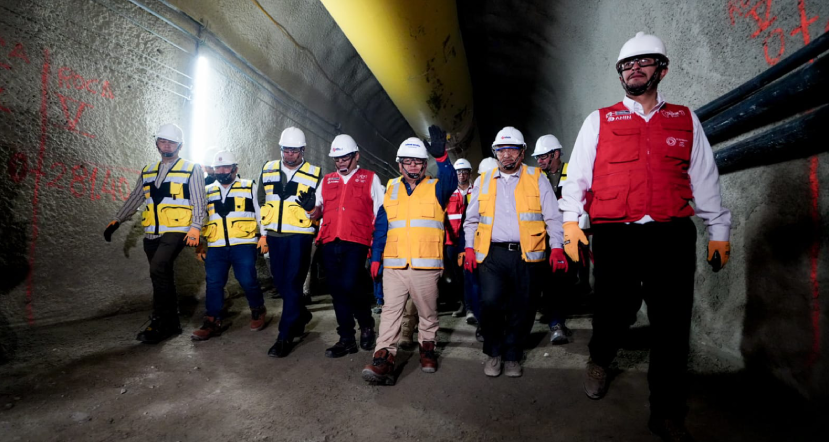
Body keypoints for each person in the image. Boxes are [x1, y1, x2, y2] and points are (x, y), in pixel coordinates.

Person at [559, 32, 732, 441]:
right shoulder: (598, 120)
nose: (634, 69)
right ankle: (600, 357)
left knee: (672, 326)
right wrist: (571, 223)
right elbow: (577, 177)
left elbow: (704, 179)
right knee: (614, 311)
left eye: (644, 62)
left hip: (671, 235)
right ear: (621, 74)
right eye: (626, 65)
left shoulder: (685, 120)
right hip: (616, 234)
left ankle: (667, 411)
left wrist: (718, 230)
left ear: (662, 69)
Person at [463, 126, 566, 378]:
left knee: (524, 306)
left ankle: (512, 355)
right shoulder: (483, 180)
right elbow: (471, 219)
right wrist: (468, 246)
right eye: (501, 150)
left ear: (522, 153)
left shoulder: (536, 177)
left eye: (512, 149)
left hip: (528, 254)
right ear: (495, 153)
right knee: (491, 303)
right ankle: (494, 352)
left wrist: (557, 248)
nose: (506, 155)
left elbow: (553, 217)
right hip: (492, 254)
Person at [361, 126, 457, 385]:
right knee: (390, 312)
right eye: (408, 162)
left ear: (424, 165)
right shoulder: (391, 188)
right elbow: (382, 226)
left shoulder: (437, 188)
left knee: (427, 312)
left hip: (425, 266)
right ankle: (383, 357)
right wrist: (377, 257)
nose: (413, 166)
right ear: (399, 164)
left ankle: (427, 349)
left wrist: (442, 159)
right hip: (394, 264)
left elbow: (452, 181)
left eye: (418, 162)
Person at [103, 123, 205, 343]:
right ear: (156, 142)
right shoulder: (148, 169)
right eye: (162, 141)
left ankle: (161, 321)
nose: (166, 145)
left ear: (180, 145)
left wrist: (196, 227)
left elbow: (199, 201)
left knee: (158, 268)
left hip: (178, 229)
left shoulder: (191, 168)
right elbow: (136, 196)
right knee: (161, 274)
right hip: (152, 231)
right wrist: (118, 219)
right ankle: (171, 322)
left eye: (171, 142)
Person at [306, 134, 384, 358]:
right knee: (337, 290)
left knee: (350, 285)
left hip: (357, 241)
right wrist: (311, 208)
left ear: (356, 156)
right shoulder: (327, 180)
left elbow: (380, 214)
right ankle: (346, 338)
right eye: (337, 159)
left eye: (345, 158)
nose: (340, 162)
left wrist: (377, 246)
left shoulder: (370, 178)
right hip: (330, 241)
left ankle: (366, 324)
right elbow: (317, 212)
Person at [257, 127, 322, 358]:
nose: (289, 155)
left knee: (293, 284)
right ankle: (301, 314)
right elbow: (261, 201)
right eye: (286, 150)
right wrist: (263, 232)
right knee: (282, 284)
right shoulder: (268, 168)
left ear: (303, 150)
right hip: (274, 235)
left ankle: (284, 336)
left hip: (300, 236)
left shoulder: (315, 173)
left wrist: (313, 210)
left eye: (294, 151)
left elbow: (320, 210)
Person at [191, 151, 268, 340]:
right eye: (218, 168)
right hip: (216, 245)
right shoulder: (207, 190)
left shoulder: (248, 186)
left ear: (235, 169)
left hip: (243, 243)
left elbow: (261, 213)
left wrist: (264, 236)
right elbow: (199, 217)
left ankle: (258, 309)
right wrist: (199, 244)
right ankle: (212, 321)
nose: (222, 171)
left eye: (226, 167)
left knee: (247, 280)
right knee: (214, 283)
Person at [532, 134, 577, 345]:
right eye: (538, 158)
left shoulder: (572, 171)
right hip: (545, 236)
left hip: (569, 234)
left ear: (555, 154)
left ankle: (556, 315)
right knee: (550, 280)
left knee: (565, 278)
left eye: (543, 157)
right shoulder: (535, 177)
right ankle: (555, 319)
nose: (539, 161)